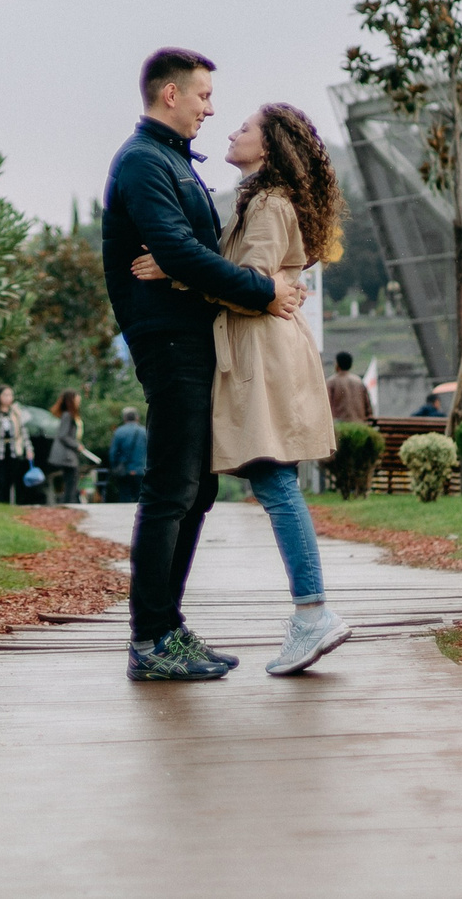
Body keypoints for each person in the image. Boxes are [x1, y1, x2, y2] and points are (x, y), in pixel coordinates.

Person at [103, 47, 307, 683]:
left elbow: (190, 251)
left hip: (193, 335)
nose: (211, 109)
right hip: (168, 339)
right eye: (203, 96)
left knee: (198, 488)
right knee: (171, 487)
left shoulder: (174, 161)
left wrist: (194, 266)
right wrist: (264, 291)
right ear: (171, 94)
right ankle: (150, 638)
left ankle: (168, 625)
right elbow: (178, 249)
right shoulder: (143, 161)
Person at [133, 102, 353, 677]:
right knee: (273, 479)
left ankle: (313, 613)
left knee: (274, 479)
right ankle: (312, 613)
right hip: (260, 349)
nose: (231, 131)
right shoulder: (261, 200)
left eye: (246, 128)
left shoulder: (270, 203)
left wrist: (176, 270)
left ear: (270, 145)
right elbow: (261, 279)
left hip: (263, 353)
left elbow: (250, 285)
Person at [0, 385, 34, 503]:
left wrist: (29, 449)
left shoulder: (16, 412)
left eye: (10, 395)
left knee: (11, 479)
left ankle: (7, 503)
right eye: (5, 395)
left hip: (13, 451)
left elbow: (23, 432)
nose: (8, 398)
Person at [46, 390, 86, 504]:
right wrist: (76, 445)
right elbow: (63, 436)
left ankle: (68, 503)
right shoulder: (67, 415)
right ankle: (69, 503)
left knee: (71, 481)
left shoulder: (71, 415)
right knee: (71, 481)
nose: (79, 401)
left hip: (69, 454)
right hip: (66, 455)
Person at [106, 406, 148, 504]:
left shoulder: (119, 432)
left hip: (124, 470)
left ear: (124, 418)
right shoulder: (144, 431)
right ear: (137, 417)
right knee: (140, 497)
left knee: (124, 496)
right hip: (141, 470)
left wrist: (115, 466)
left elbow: (113, 453)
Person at [326, 350, 374, 426]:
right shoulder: (359, 381)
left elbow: (326, 406)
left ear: (337, 364)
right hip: (359, 426)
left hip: (339, 427)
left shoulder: (331, 382)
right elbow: (369, 409)